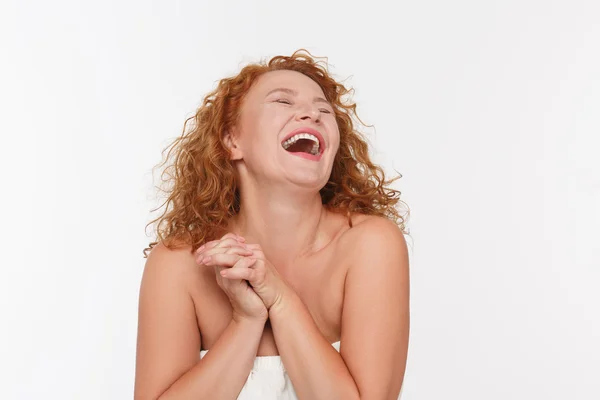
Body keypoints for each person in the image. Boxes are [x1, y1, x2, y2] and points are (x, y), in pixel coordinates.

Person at [134, 49, 411, 400]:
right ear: (232, 140)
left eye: (324, 110)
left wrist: (279, 299)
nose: (312, 113)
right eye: (283, 101)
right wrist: (245, 321)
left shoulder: (370, 245)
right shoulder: (179, 263)